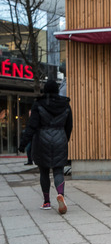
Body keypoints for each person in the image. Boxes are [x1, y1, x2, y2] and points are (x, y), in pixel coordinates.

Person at [19, 79, 73, 214]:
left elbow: (32, 125)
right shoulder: (65, 104)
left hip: (42, 140)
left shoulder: (38, 104)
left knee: (44, 171)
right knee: (58, 171)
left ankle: (47, 202)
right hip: (60, 138)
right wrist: (64, 139)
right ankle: (60, 194)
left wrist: (23, 144)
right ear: (57, 90)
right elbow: (69, 126)